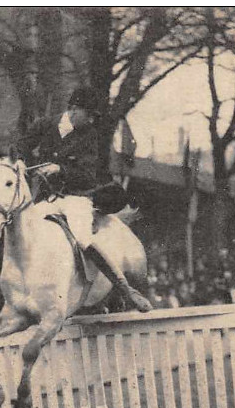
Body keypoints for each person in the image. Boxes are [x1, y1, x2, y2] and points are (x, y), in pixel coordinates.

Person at [17, 86, 152, 312]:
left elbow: (87, 175)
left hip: (75, 199)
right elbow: (22, 144)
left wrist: (60, 168)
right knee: (26, 230)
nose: (90, 120)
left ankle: (126, 289)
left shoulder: (89, 135)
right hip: (47, 197)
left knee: (82, 238)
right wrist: (21, 160)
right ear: (73, 110)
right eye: (88, 114)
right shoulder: (44, 124)